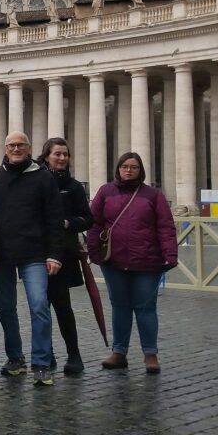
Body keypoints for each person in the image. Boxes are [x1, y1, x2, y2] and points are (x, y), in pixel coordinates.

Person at [0, 132, 64, 386]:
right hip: (2, 254)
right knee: (6, 309)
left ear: (29, 149)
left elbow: (54, 218)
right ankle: (15, 358)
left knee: (39, 305)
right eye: (11, 145)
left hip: (35, 254)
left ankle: (41, 361)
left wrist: (55, 254)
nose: (16, 149)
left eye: (21, 145)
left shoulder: (43, 177)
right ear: (5, 148)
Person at [88, 152, 177, 374]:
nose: (129, 170)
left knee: (146, 307)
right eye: (125, 166)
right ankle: (119, 352)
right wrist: (94, 252)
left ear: (141, 170)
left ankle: (150, 354)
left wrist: (170, 254)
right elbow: (94, 223)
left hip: (147, 260)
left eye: (134, 167)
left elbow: (165, 226)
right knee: (119, 307)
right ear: (118, 169)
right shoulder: (105, 192)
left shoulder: (153, 195)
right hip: (114, 259)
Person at [38, 137, 93, 375]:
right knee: (39, 306)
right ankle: (45, 352)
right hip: (37, 252)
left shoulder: (74, 186)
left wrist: (68, 222)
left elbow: (87, 218)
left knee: (62, 305)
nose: (62, 158)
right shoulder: (34, 181)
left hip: (63, 252)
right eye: (57, 154)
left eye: (65, 154)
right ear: (46, 156)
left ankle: (74, 353)